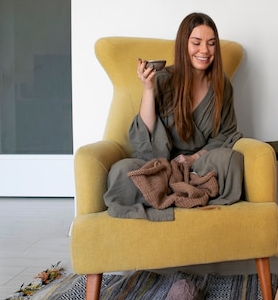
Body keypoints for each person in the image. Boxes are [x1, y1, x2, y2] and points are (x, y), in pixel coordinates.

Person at [104, 12, 244, 220]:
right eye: (196, 42)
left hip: (199, 166)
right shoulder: (163, 79)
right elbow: (146, 133)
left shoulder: (221, 84)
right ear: (183, 45)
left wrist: (194, 157)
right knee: (120, 171)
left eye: (211, 43)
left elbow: (226, 134)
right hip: (161, 164)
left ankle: (181, 190)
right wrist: (148, 88)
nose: (204, 50)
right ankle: (182, 191)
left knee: (231, 159)